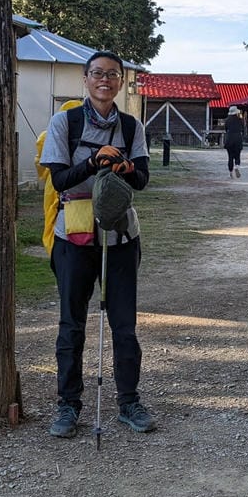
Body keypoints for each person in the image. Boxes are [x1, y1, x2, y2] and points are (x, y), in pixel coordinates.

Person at [40, 50, 154, 439]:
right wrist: (93, 163)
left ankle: (129, 402)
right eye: (97, 74)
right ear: (85, 80)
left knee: (124, 325)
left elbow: (141, 180)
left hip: (120, 234)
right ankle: (68, 405)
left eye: (113, 75)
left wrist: (122, 166)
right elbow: (58, 180)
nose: (105, 80)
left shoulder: (131, 125)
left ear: (121, 82)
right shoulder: (64, 122)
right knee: (71, 324)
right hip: (73, 233)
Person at [223, 105, 245, 178]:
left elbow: (226, 129)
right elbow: (243, 129)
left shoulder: (227, 120)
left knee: (230, 157)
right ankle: (237, 167)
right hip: (238, 138)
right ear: (236, 112)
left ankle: (231, 172)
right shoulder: (240, 120)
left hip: (229, 138)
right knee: (237, 155)